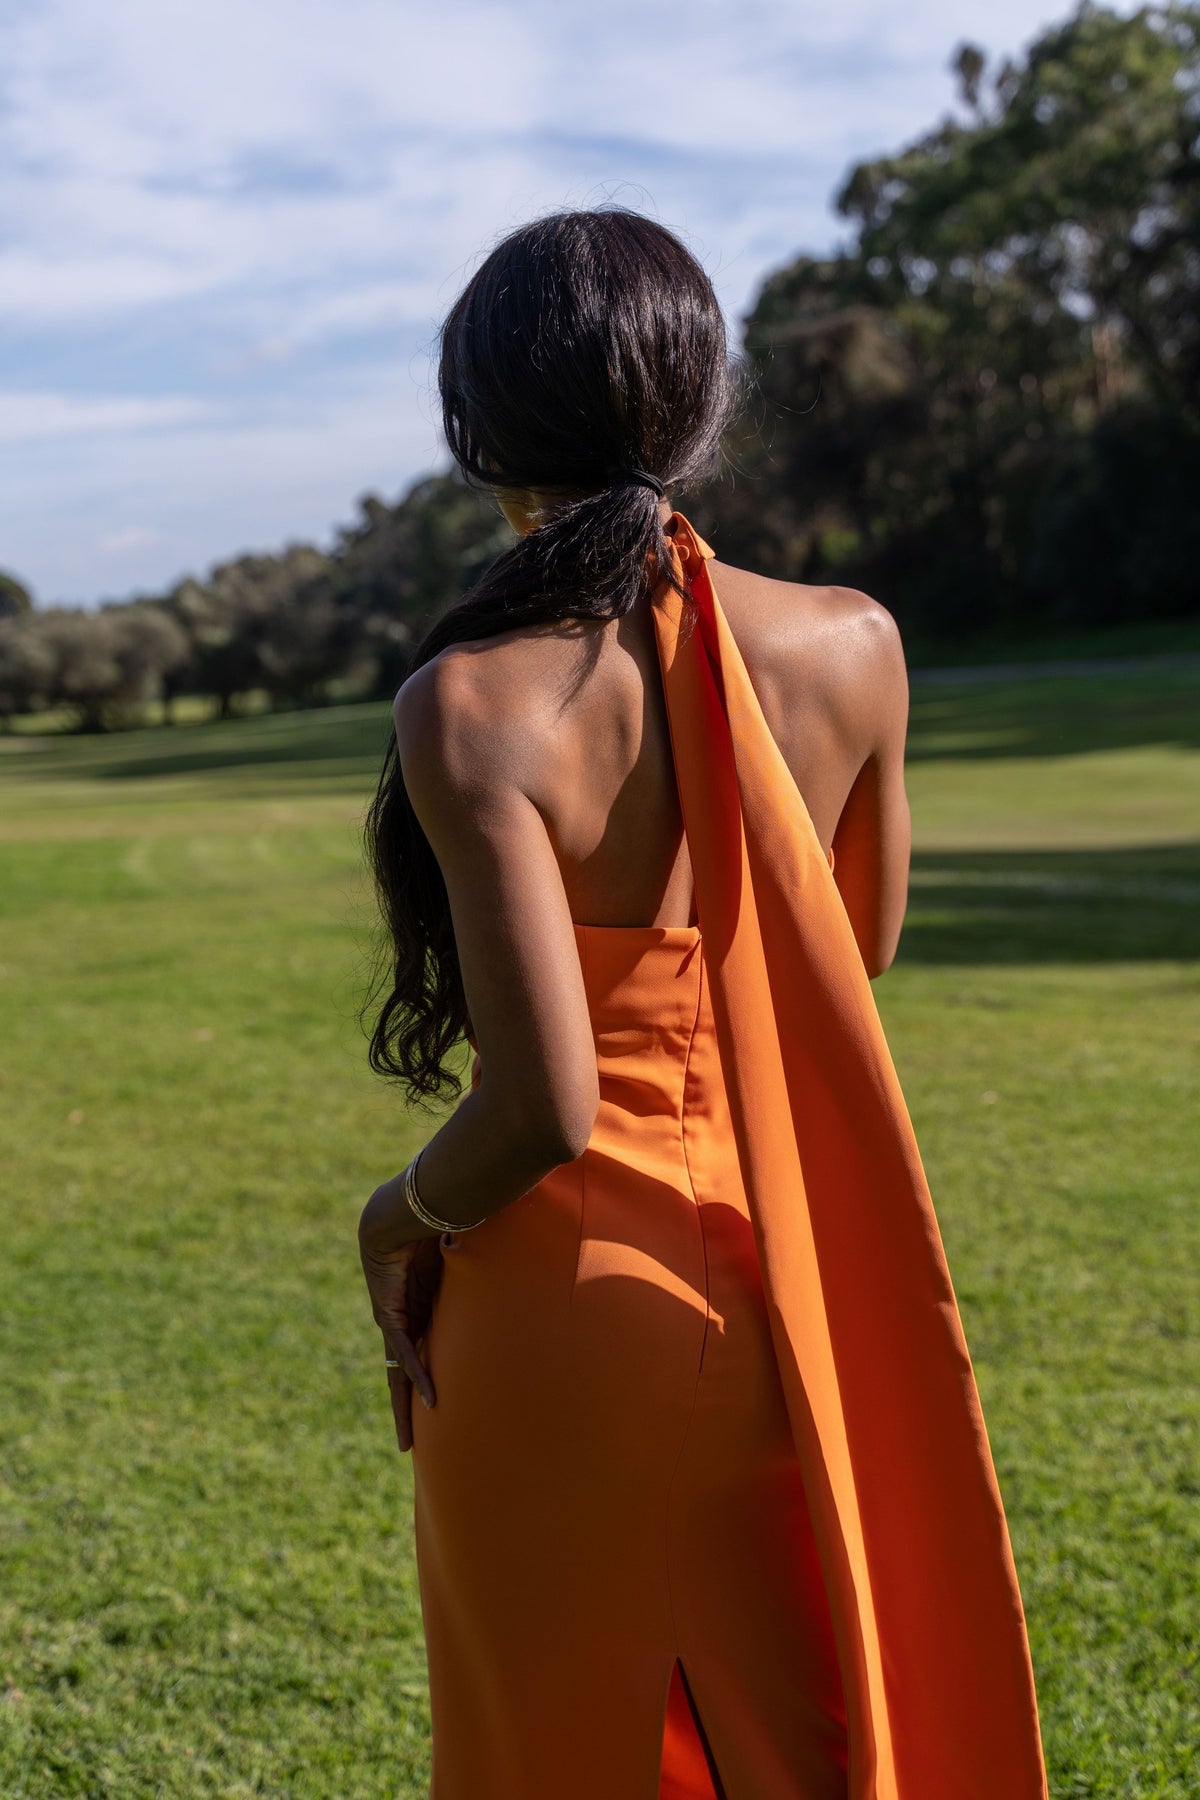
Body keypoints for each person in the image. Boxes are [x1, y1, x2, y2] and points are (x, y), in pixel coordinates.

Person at [358, 209, 1048, 1800]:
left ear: (478, 425)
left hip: (562, 1318)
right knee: (806, 1744)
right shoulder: (857, 645)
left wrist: (392, 1217)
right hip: (787, 1275)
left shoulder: (471, 701)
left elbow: (541, 1109)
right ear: (700, 398)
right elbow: (845, 959)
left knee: (554, 1750)